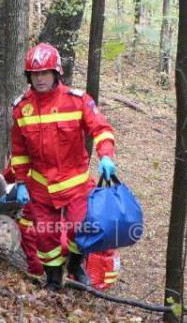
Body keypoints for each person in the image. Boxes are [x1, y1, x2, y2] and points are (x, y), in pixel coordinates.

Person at [10, 43, 117, 292]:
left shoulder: (77, 101)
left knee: (82, 229)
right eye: (34, 74)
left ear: (56, 72)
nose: (39, 79)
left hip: (75, 183)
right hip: (40, 186)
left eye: (44, 73)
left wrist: (106, 157)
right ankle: (54, 279)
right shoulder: (21, 108)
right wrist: (22, 182)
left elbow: (101, 129)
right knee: (46, 238)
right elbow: (19, 151)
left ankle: (77, 265)